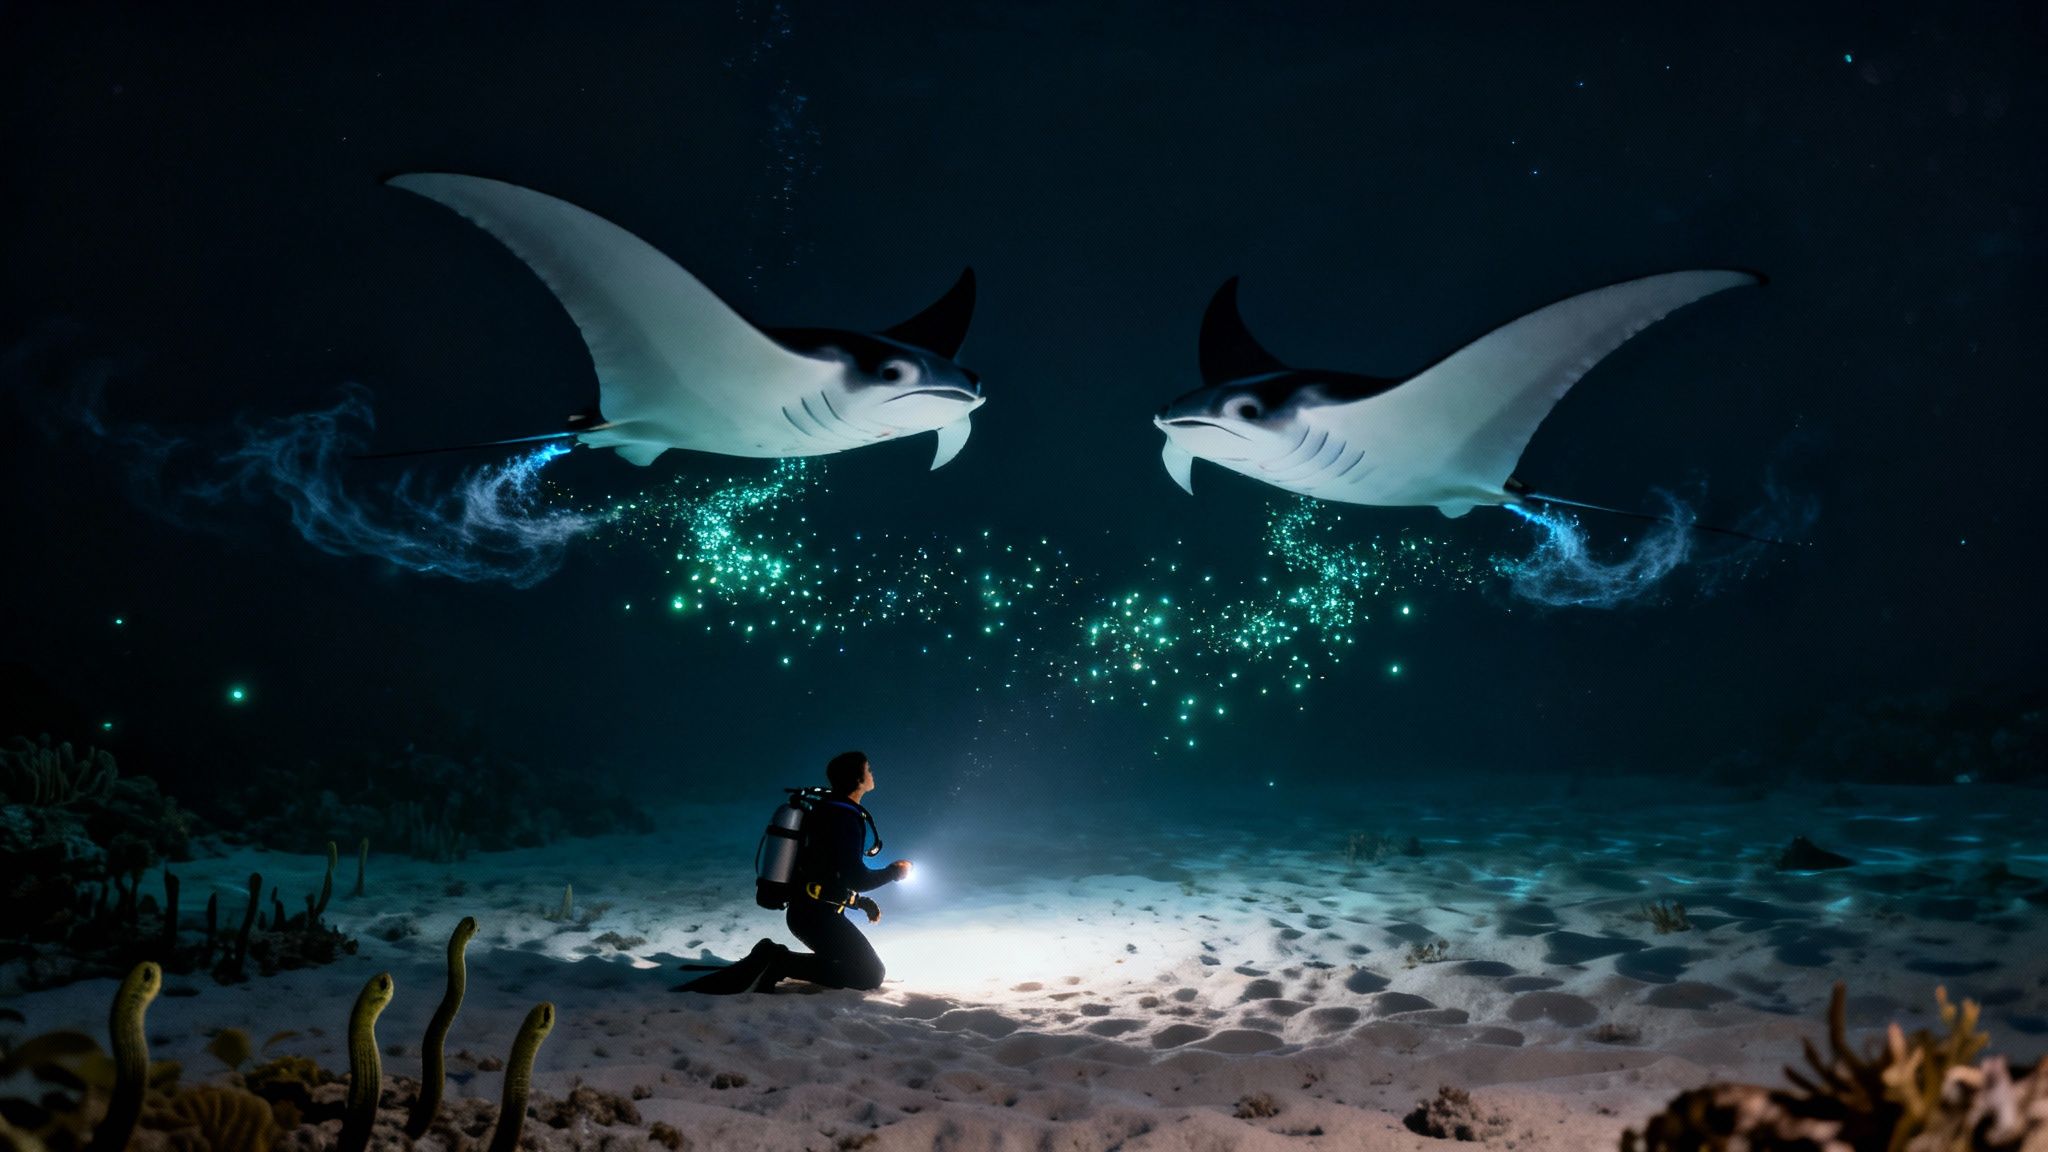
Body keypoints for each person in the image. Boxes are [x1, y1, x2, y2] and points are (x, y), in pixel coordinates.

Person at [679, 750, 912, 994]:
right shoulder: (843, 818)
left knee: (854, 966)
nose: (872, 773)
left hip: (810, 913)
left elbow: (826, 872)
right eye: (868, 769)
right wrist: (894, 872)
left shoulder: (831, 810)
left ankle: (774, 957)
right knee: (870, 974)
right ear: (857, 779)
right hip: (816, 918)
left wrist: (858, 901)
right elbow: (855, 877)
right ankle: (777, 961)